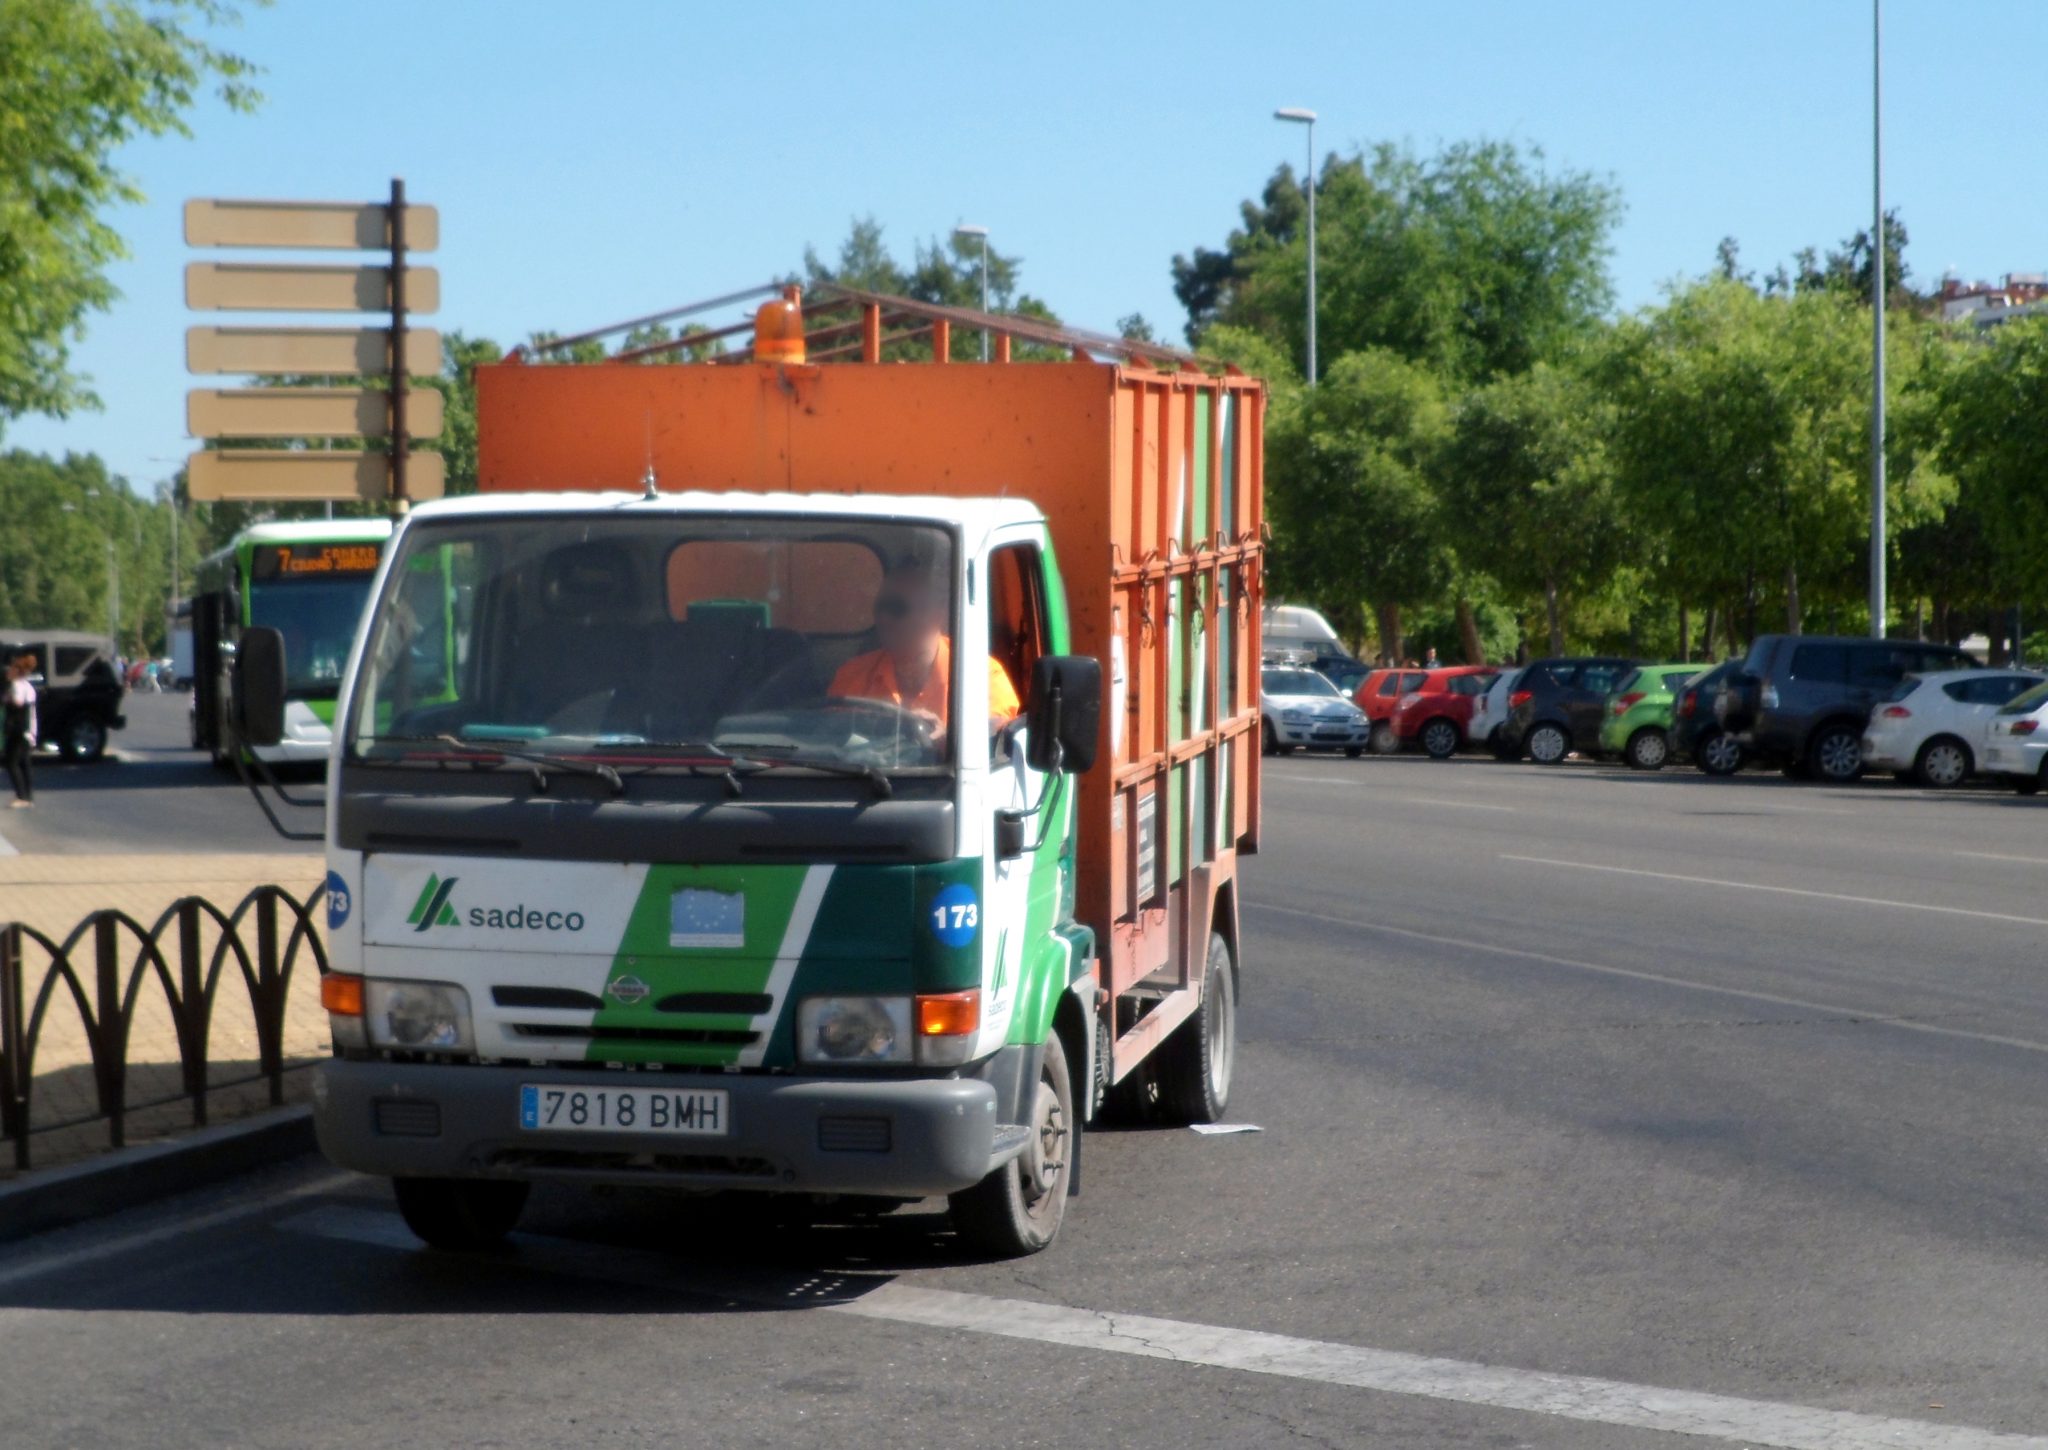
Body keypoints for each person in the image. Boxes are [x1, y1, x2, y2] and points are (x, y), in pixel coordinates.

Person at [829, 562, 1020, 742]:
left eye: (897, 608)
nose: (885, 618)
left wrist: (949, 739)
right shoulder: (851, 675)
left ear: (938, 613)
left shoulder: (980, 675)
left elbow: (995, 736)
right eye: (881, 607)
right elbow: (829, 737)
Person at [4, 653, 37, 809]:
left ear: (18, 670)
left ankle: (21, 796)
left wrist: (8, 697)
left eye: (12, 668)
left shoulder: (16, 685)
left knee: (11, 762)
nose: (9, 671)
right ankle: (28, 796)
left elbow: (18, 702)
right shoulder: (28, 686)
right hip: (29, 728)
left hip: (18, 729)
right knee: (24, 762)